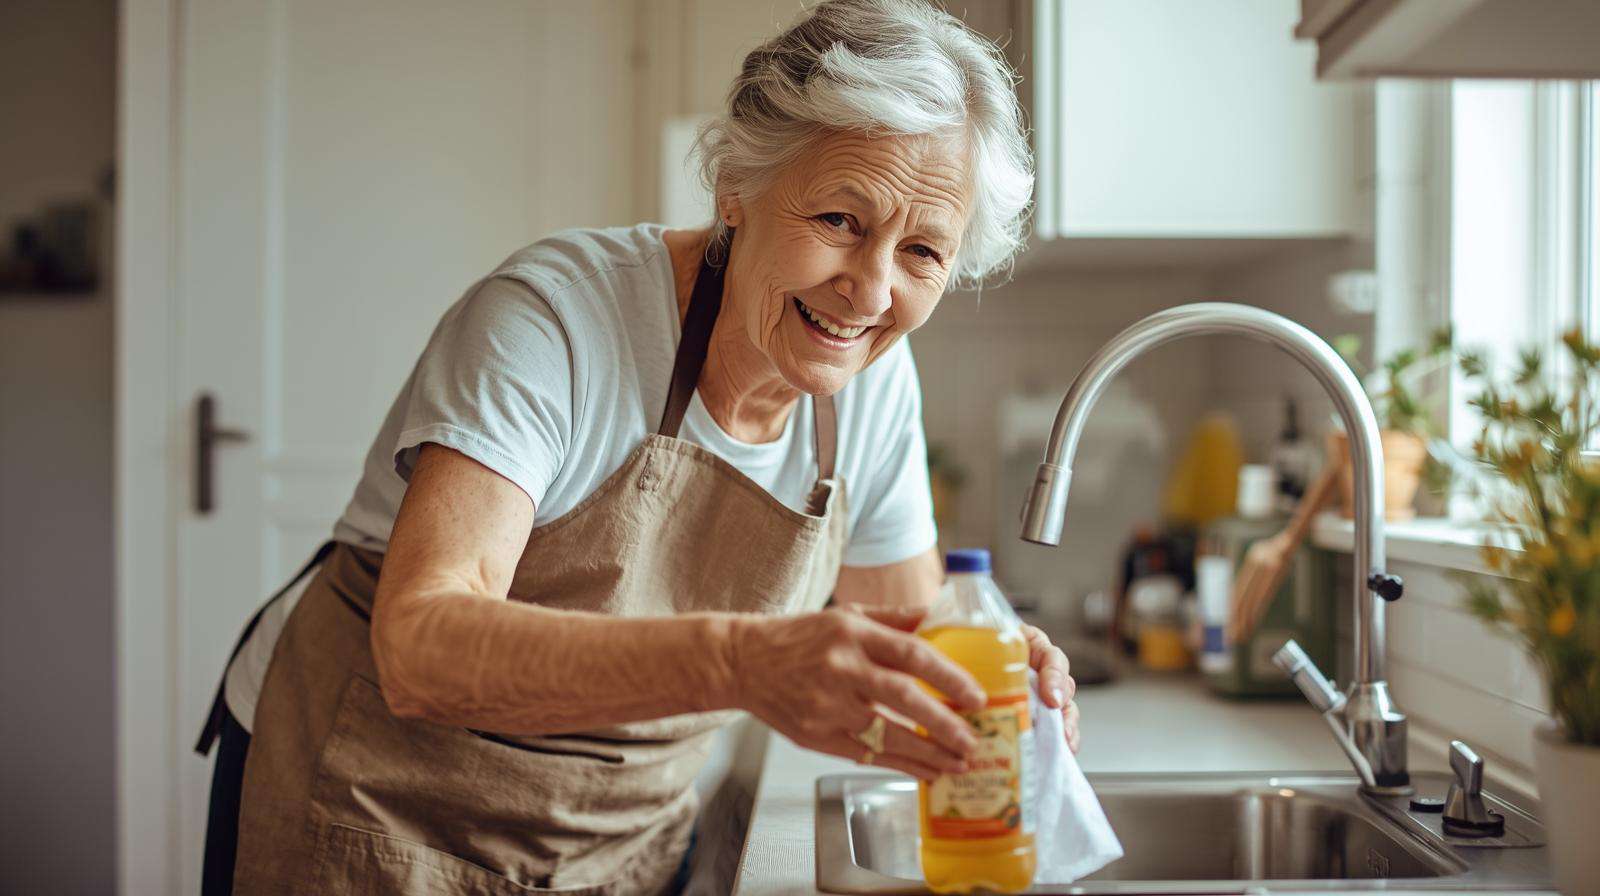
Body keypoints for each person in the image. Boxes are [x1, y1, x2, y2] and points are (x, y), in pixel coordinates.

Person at [197, 1, 1079, 893]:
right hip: (372, 802)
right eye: (840, 221)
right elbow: (421, 646)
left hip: (617, 843)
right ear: (736, 186)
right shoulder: (553, 321)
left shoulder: (874, 387)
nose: (871, 291)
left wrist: (989, 674)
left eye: (923, 251)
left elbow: (907, 633)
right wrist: (741, 663)